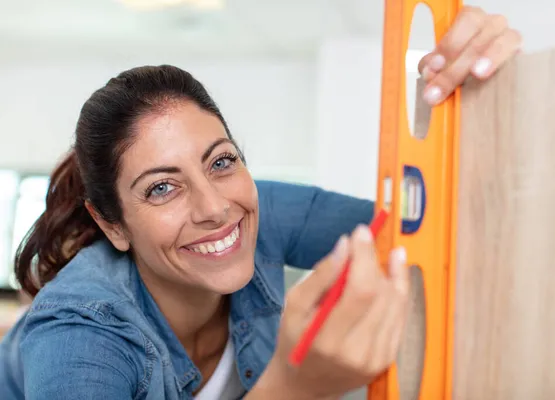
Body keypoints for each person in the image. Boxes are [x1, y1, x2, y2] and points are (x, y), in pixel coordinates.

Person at [0, 7, 521, 399]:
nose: (214, 207)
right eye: (162, 187)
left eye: (221, 161)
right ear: (113, 225)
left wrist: (482, 96)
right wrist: (293, 385)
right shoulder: (78, 334)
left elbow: (425, 233)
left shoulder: (256, 211)